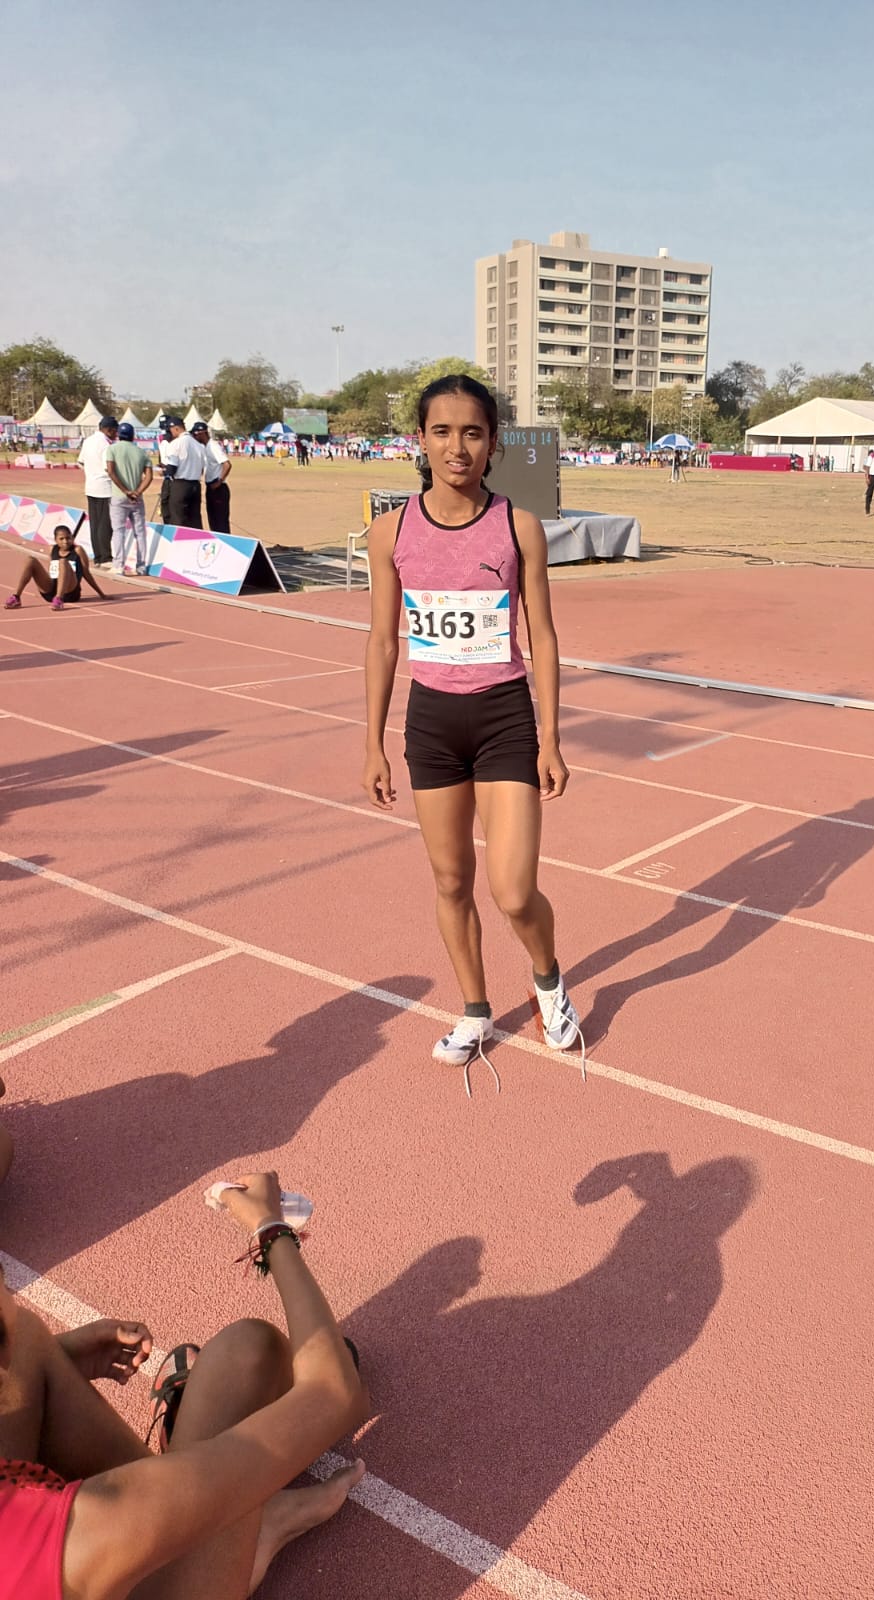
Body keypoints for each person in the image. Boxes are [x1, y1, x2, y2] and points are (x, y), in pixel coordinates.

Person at [0, 1171, 366, 1600]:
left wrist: (57, 1355)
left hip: (58, 1551)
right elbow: (334, 1393)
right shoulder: (74, 1527)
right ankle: (257, 1530)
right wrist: (271, 1228)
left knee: (249, 1351)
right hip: (69, 1550)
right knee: (260, 1361)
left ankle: (239, 1519)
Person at [362, 374, 582, 1079]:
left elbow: (542, 636)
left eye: (473, 432)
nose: (457, 446)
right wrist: (372, 743)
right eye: (442, 431)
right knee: (452, 880)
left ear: (493, 443)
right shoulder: (391, 532)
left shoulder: (518, 527)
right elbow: (382, 642)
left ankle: (548, 981)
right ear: (420, 440)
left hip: (503, 717)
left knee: (513, 890)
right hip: (431, 723)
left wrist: (551, 737)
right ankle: (475, 1009)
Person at [5, 523, 108, 611]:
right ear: (56, 540)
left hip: (70, 592)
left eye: (68, 538)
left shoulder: (78, 550)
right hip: (51, 591)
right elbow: (53, 571)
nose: (65, 541)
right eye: (61, 539)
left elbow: (86, 573)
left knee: (63, 562)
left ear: (72, 538)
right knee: (30, 560)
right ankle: (16, 597)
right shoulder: (52, 549)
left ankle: (59, 598)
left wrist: (101, 594)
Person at [105, 422, 153, 574]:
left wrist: (125, 490)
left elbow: (111, 471)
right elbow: (149, 476)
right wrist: (137, 491)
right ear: (133, 435)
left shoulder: (112, 449)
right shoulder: (141, 452)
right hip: (136, 498)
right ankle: (141, 566)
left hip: (119, 496)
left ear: (119, 434)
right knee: (140, 532)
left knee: (118, 531)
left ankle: (118, 565)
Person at [77, 417, 118, 568]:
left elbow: (80, 462)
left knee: (95, 523)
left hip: (91, 486)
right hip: (105, 488)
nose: (116, 434)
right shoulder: (106, 445)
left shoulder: (88, 441)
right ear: (109, 430)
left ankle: (98, 556)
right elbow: (109, 468)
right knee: (105, 523)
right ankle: (105, 557)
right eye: (115, 431)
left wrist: (91, 472)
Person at [159, 418, 206, 529]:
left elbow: (172, 468)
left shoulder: (176, 443)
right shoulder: (198, 445)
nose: (170, 433)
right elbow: (202, 469)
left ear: (176, 428)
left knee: (178, 519)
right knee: (194, 519)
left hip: (180, 485)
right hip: (195, 485)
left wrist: (164, 472)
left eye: (171, 430)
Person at [193, 421, 232, 533]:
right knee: (213, 522)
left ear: (202, 433)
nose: (195, 437)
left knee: (220, 523)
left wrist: (219, 481)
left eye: (196, 434)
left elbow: (227, 464)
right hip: (210, 487)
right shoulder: (204, 447)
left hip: (218, 488)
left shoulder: (213, 446)